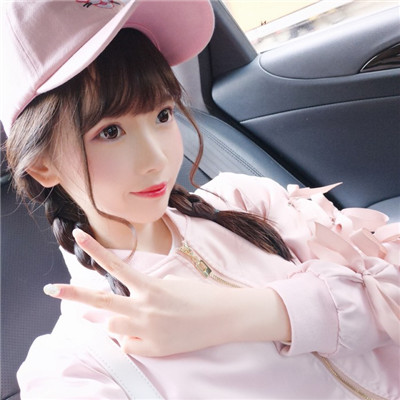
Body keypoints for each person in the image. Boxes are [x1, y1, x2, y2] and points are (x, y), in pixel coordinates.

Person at [2, 0, 399, 398]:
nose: (157, 159)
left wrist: (248, 314)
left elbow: (389, 292)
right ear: (42, 167)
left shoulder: (244, 200)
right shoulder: (80, 363)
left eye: (162, 115)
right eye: (110, 132)